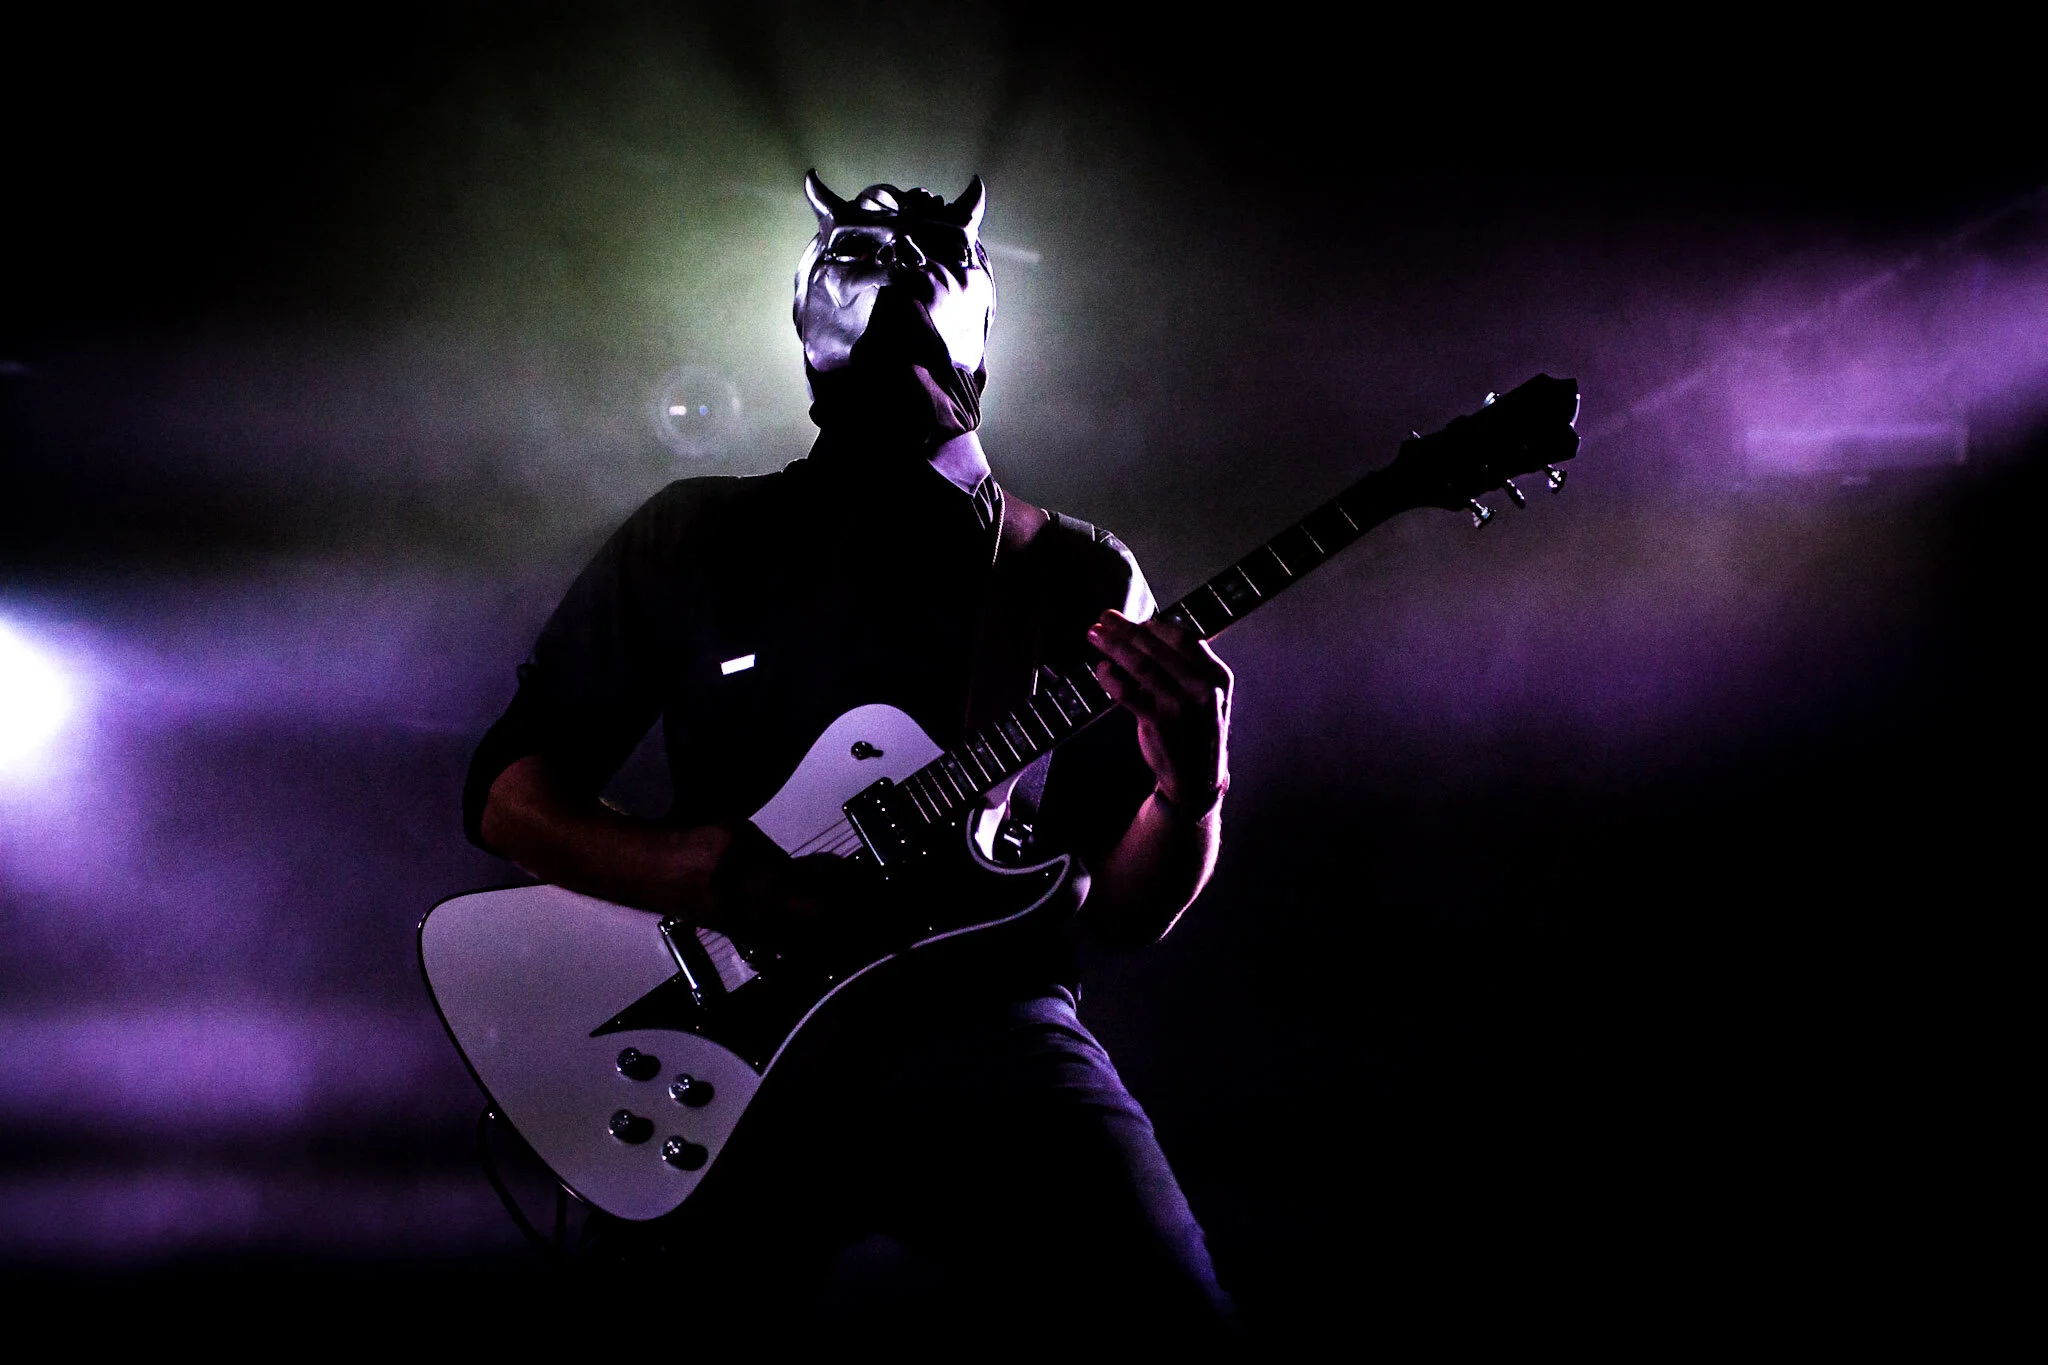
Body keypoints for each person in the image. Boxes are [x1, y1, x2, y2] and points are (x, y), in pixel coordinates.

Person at [462, 172, 1237, 1333]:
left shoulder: (1074, 572)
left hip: (989, 1026)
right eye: (858, 254)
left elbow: (1123, 911)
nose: (898, 273)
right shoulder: (695, 533)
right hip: (728, 1042)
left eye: (934, 257)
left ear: (986, 316)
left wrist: (1190, 785)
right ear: (800, 311)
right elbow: (507, 793)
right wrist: (699, 874)